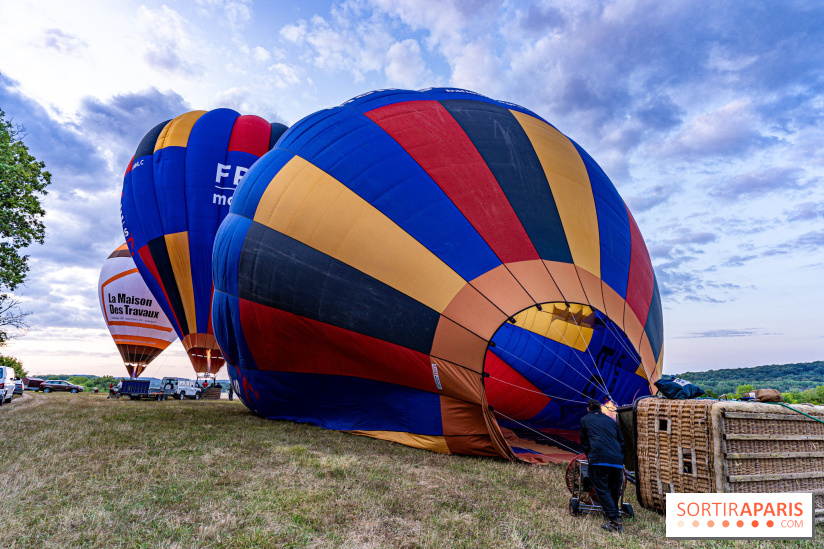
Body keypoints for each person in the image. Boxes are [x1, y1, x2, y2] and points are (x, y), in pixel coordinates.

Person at [579, 398, 625, 533]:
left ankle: (614, 521)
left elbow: (585, 442)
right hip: (617, 461)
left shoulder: (585, 420)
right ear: (601, 408)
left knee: (602, 489)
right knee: (614, 489)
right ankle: (611, 513)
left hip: (599, 459)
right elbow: (621, 441)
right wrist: (619, 457)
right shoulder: (611, 421)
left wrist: (591, 457)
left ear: (588, 409)